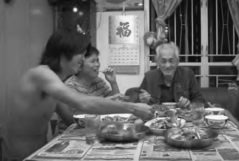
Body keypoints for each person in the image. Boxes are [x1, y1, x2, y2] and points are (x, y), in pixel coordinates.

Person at [1, 30, 153, 160]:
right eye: (80, 53)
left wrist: (110, 128)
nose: (82, 58)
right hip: (17, 157)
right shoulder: (41, 73)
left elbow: (72, 121)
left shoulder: (56, 82)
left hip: (41, 152)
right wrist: (133, 108)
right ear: (63, 53)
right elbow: (83, 103)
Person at [56, 45, 122, 130]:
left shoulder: (98, 81)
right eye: (93, 61)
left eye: (98, 60)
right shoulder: (70, 87)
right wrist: (104, 102)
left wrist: (113, 82)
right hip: (74, 133)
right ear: (80, 65)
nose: (97, 65)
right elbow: (75, 120)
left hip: (95, 130)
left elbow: (116, 103)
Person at [139, 42, 205, 108]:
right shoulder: (149, 77)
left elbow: (200, 101)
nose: (168, 65)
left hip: (183, 116)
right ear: (157, 62)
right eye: (163, 61)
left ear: (177, 61)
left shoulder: (187, 74)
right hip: (156, 117)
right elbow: (136, 101)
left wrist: (189, 104)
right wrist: (142, 100)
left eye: (171, 61)